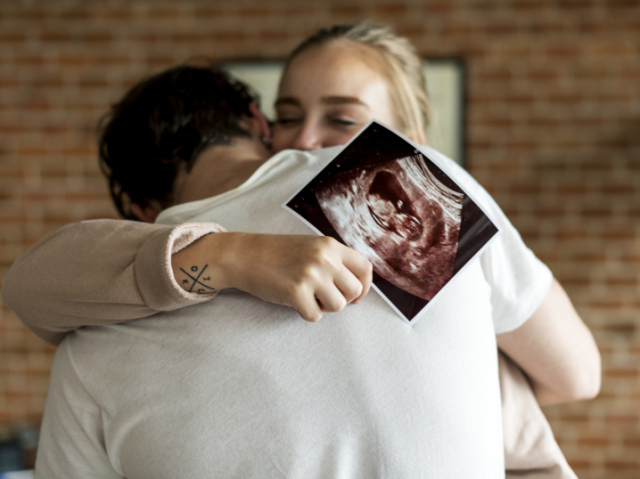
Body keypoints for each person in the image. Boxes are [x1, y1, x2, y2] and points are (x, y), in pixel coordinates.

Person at [0, 24, 598, 477]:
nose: (310, 143)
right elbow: (575, 372)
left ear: (136, 209)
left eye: (341, 120)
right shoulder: (395, 184)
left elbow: (29, 286)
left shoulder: (92, 336)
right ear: (261, 125)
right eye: (292, 117)